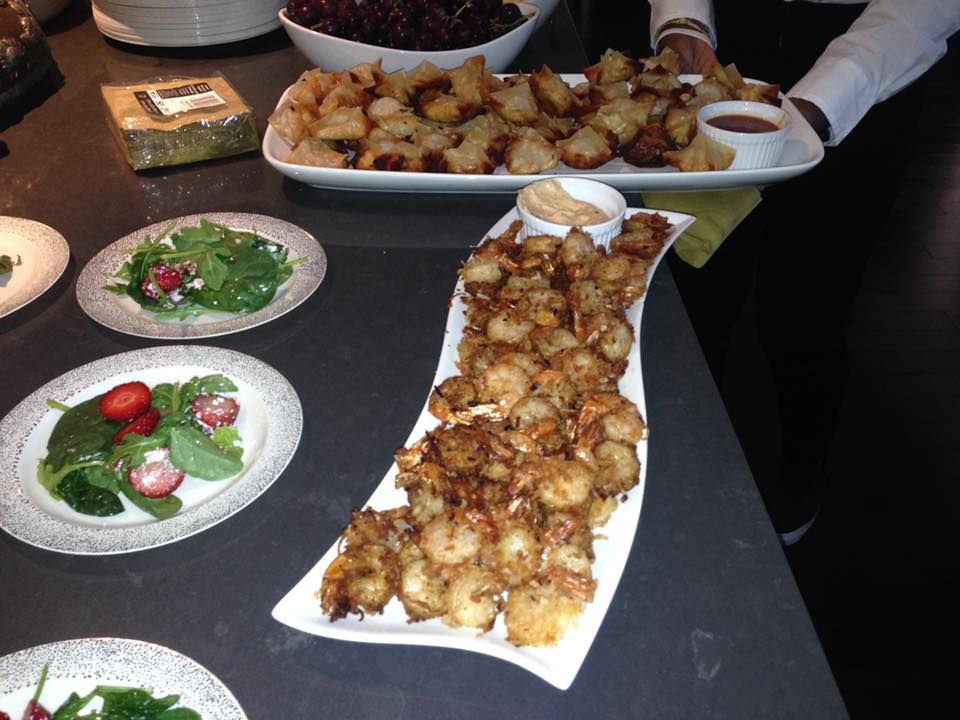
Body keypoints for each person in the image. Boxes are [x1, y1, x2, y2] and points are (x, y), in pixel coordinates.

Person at [646, 0, 960, 544]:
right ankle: (679, 460)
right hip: (730, 46)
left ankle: (800, 468)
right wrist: (683, 21)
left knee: (808, 310)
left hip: (875, 63)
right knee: (695, 289)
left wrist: (827, 94)